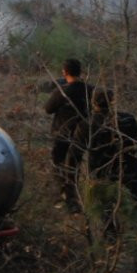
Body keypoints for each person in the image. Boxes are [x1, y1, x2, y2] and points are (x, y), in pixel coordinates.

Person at [75, 90, 137, 203]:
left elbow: (75, 153)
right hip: (128, 168)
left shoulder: (86, 124)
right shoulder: (127, 119)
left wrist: (72, 179)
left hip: (100, 173)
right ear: (112, 102)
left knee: (105, 209)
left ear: (93, 103)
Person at [44, 58, 93, 209]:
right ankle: (76, 197)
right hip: (83, 134)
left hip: (63, 134)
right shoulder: (91, 89)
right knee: (75, 166)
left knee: (59, 165)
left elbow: (48, 109)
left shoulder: (63, 91)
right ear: (81, 72)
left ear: (64, 72)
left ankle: (67, 198)